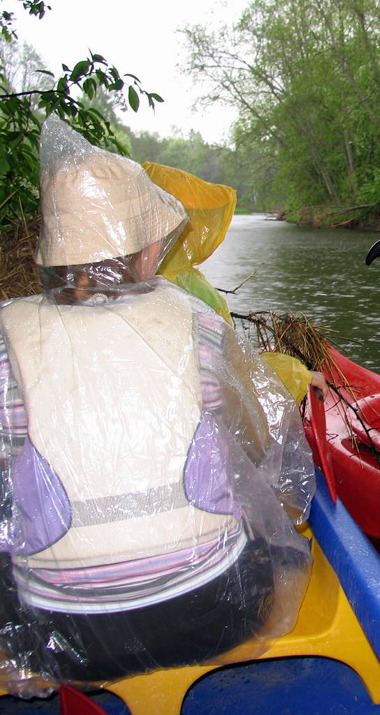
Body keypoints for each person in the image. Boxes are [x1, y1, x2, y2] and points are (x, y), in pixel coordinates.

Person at [0, 117, 315, 696]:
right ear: (147, 251)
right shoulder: (196, 324)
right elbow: (264, 452)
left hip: (59, 637)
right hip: (209, 616)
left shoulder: (6, 337)